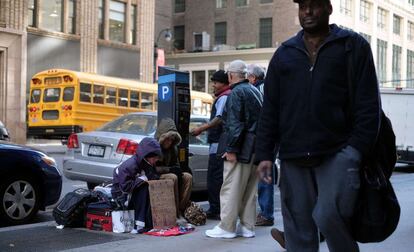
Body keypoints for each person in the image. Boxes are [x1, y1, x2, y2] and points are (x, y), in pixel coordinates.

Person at [255, 0, 380, 251]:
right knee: (299, 231)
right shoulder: (285, 53)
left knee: (329, 217)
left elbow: (369, 106)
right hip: (293, 156)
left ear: (329, 8)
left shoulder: (352, 46)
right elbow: (271, 109)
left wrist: (355, 151)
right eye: (303, 7)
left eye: (315, 5)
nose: (308, 12)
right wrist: (265, 154)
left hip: (338, 153)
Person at [205, 59, 263, 239]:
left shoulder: (236, 93)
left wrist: (231, 149)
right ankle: (247, 227)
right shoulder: (255, 91)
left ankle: (227, 227)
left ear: (231, 75)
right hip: (255, 148)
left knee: (231, 187)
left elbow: (235, 124)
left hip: (240, 149)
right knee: (249, 190)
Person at [190, 70, 231, 220]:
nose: (213, 85)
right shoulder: (225, 96)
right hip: (218, 143)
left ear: (224, 83)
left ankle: (216, 209)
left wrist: (201, 128)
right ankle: (217, 208)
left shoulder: (224, 98)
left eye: (215, 82)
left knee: (215, 179)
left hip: (219, 144)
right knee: (216, 178)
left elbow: (219, 118)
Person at [111, 137, 162, 234]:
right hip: (122, 195)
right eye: (154, 158)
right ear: (147, 156)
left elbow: (152, 177)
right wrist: (141, 179)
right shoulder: (130, 165)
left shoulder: (146, 163)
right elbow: (125, 187)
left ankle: (148, 222)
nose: (156, 160)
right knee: (143, 188)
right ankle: (139, 225)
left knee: (148, 187)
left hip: (130, 192)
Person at [247, 64, 275, 227]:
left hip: (267, 137)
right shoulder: (262, 88)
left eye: (248, 76)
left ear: (253, 77)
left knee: (264, 174)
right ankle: (265, 213)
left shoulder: (260, 90)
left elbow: (265, 116)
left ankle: (266, 214)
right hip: (270, 137)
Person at [155, 117, 193, 216]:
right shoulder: (154, 147)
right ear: (162, 137)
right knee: (173, 177)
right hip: (155, 175)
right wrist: (169, 170)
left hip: (168, 173)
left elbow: (176, 166)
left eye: (172, 140)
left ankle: (181, 208)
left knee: (187, 177)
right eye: (167, 139)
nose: (169, 142)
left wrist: (178, 170)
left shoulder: (173, 149)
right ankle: (175, 213)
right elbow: (150, 169)